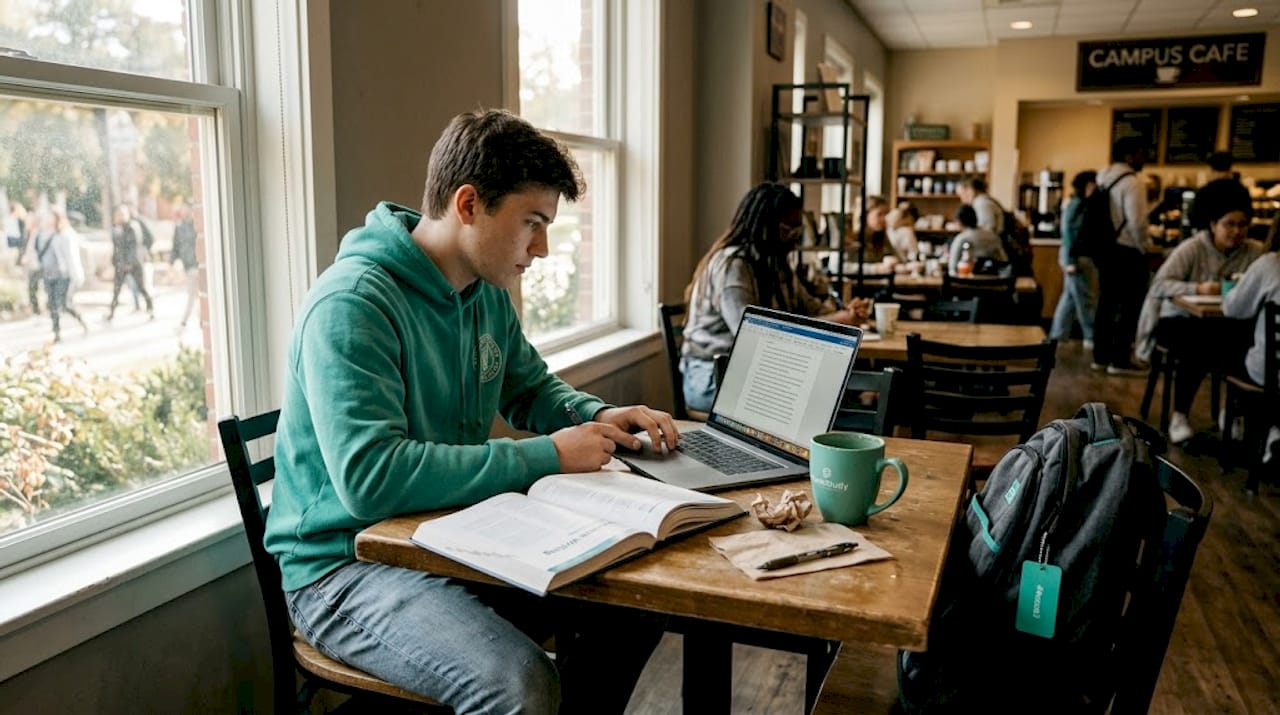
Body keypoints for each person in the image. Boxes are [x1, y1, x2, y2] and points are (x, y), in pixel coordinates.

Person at [264, 109, 672, 714]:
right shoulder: (352, 304)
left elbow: (529, 388)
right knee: (520, 685)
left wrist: (600, 412)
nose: (543, 248)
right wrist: (546, 455)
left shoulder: (483, 294)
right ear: (469, 204)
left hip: (450, 536)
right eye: (532, 222)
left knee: (638, 605)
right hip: (342, 567)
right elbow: (371, 479)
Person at [680, 182, 855, 412]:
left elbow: (811, 309)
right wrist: (838, 321)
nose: (795, 236)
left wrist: (845, 313)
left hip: (750, 372)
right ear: (765, 227)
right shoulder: (733, 266)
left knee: (831, 392)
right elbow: (753, 337)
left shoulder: (776, 263)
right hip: (712, 377)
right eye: (788, 228)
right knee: (816, 401)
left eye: (798, 228)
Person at [1134, 179, 1263, 444]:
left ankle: (1232, 412)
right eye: (1229, 224)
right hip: (1178, 321)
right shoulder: (1192, 248)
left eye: (1243, 224)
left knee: (1248, 341)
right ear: (1212, 224)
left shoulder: (1254, 252)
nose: (1237, 231)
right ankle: (1179, 415)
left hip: (1226, 324)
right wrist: (1198, 288)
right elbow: (1159, 284)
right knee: (1199, 341)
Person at [1091, 135, 1151, 376]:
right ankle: (1120, 360)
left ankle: (1100, 357)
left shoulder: (1103, 177)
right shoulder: (1132, 183)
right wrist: (1144, 248)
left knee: (1105, 305)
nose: (1143, 158)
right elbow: (1137, 223)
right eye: (1140, 153)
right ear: (1130, 155)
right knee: (1129, 308)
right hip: (1126, 251)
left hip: (1105, 250)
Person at [1223, 217, 1280, 464]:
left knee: (1233, 347)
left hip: (1270, 376)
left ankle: (1241, 421)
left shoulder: (1270, 263)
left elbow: (1233, 308)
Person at [1049, 171, 1099, 349]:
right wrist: (1070, 260)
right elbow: (1069, 232)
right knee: (1084, 297)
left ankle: (1058, 334)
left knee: (1070, 297)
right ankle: (1090, 336)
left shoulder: (1077, 203)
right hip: (1075, 256)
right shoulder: (1077, 204)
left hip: (1072, 255)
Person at [32, 208, 88, 342]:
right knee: (52, 304)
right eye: (46, 217)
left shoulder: (64, 234)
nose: (48, 220)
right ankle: (57, 332)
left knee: (63, 304)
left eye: (51, 217)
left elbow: (71, 257)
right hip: (47, 274)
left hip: (62, 275)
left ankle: (81, 320)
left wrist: (76, 275)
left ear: (58, 219)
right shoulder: (40, 235)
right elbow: (37, 253)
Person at [106, 204, 155, 321]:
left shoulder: (132, 227)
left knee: (141, 287)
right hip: (120, 264)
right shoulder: (115, 229)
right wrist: (114, 260)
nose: (118, 217)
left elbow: (134, 247)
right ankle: (111, 312)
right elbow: (117, 247)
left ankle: (150, 307)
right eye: (117, 215)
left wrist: (129, 263)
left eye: (121, 214)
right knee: (116, 290)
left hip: (133, 264)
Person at [947, 204, 1006, 276]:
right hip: (995, 284)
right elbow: (1004, 264)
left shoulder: (961, 239)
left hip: (967, 284)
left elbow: (952, 269)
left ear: (959, 222)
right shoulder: (993, 237)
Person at [171, 202, 200, 331]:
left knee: (194, 295)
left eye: (186, 208)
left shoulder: (197, 224)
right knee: (194, 294)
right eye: (182, 209)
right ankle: (199, 320)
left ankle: (184, 322)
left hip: (198, 264)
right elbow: (175, 247)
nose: (184, 211)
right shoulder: (179, 227)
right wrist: (171, 264)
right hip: (189, 266)